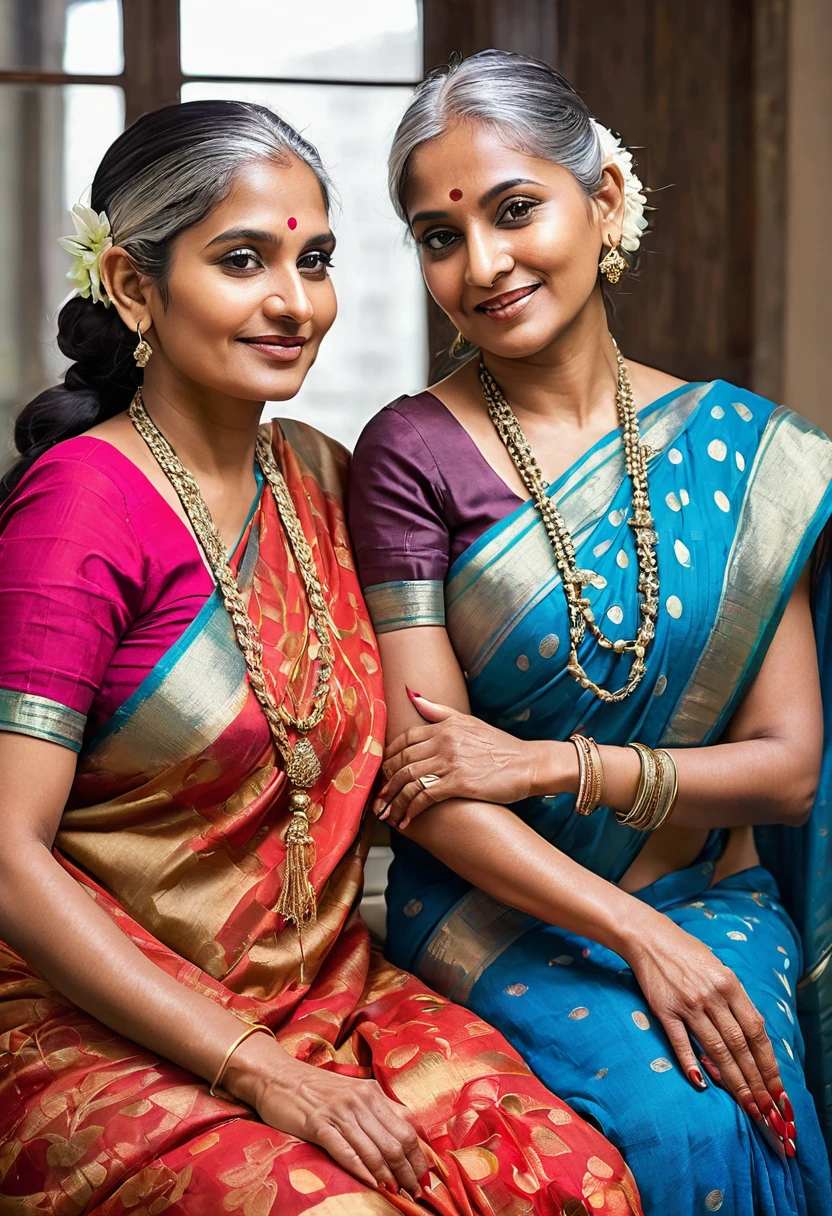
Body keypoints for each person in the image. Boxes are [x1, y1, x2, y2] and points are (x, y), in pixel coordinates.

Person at [0, 100, 643, 1215]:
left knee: (578, 1183)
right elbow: (6, 856)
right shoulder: (82, 509)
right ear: (132, 285)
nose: (295, 302)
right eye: (242, 261)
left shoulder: (319, 476)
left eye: (316, 260)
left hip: (328, 996)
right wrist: (260, 1070)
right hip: (94, 1024)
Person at [347, 50, 832, 1216]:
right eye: (438, 236)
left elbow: (787, 768)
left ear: (603, 197)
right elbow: (431, 784)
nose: (483, 264)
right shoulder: (412, 455)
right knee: (681, 1119)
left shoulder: (746, 451)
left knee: (744, 1104)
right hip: (494, 904)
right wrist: (630, 931)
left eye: (516, 210)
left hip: (712, 898)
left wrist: (558, 765)